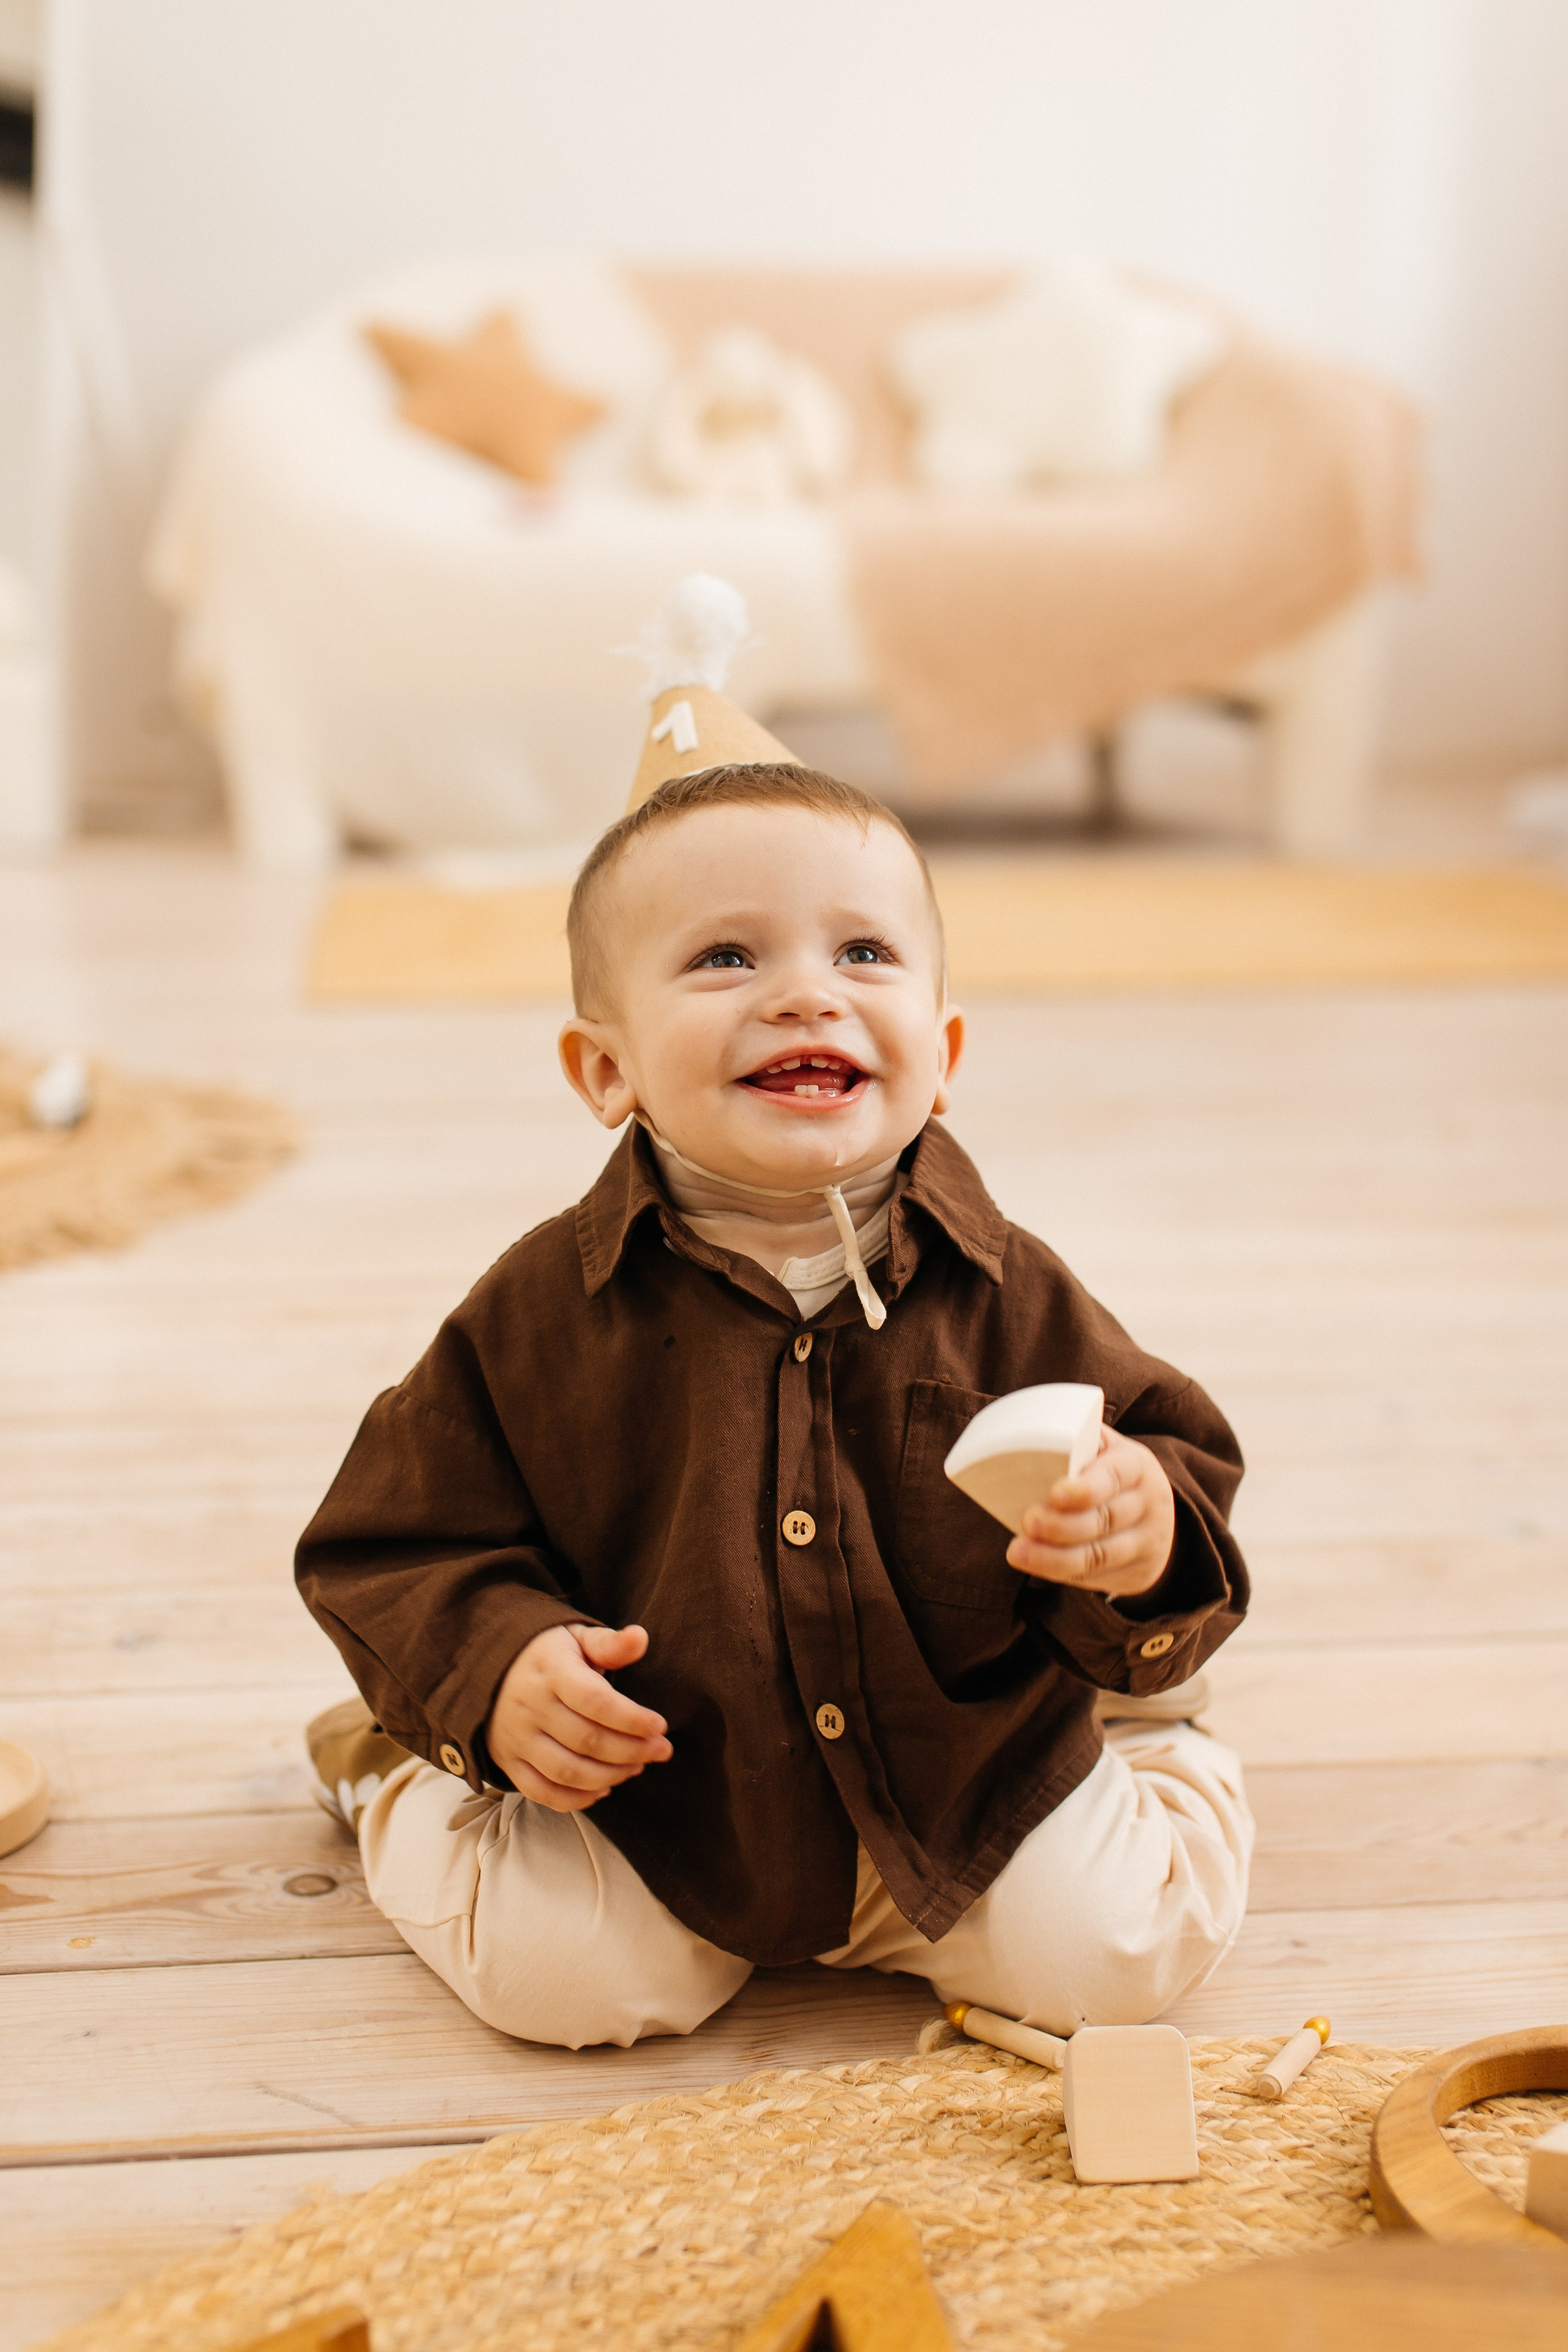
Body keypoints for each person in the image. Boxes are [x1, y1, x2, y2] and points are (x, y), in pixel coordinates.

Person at [297, 584, 1253, 2052]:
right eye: (725, 958)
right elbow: (394, 1539)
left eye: (861, 954)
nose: (804, 995)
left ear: (937, 1053)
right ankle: (390, 1771)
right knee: (576, 1984)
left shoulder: (1009, 1290)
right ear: (602, 1071)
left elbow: (1175, 1471)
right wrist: (495, 1675)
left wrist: (1135, 1539)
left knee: (1109, 1962)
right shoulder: (540, 1315)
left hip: (961, 1773)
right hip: (691, 1804)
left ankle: (1153, 1744)